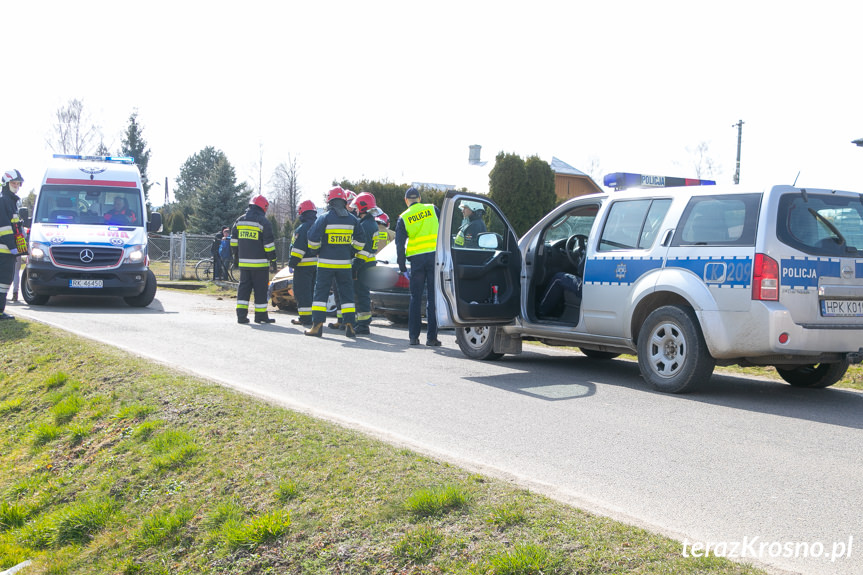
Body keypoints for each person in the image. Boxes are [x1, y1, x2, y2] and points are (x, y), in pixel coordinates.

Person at [304, 186, 366, 338]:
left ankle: (317, 327)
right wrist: (350, 251)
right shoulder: (353, 220)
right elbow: (361, 241)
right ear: (344, 201)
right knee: (347, 296)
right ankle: (350, 326)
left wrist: (316, 250)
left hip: (325, 264)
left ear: (330, 201)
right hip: (344, 264)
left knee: (320, 295)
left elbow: (312, 239)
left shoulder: (324, 218)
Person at [395, 186, 441, 346]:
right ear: (420, 198)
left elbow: (399, 244)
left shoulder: (404, 217)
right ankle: (432, 338)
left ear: (406, 201)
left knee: (415, 298)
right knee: (433, 298)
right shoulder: (433, 209)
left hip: (417, 261)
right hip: (435, 257)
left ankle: (413, 337)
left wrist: (402, 267)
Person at [231, 195, 278, 324]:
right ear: (264, 207)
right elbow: (268, 245)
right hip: (260, 265)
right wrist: (272, 260)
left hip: (244, 264)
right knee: (261, 290)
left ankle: (241, 316)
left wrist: (236, 257)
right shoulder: (263, 222)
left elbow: (233, 241)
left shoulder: (239, 221)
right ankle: (260, 316)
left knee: (244, 289)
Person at [349, 192, 382, 335]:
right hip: (366, 263)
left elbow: (365, 250)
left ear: (363, 207)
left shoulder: (366, 225)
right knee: (361, 293)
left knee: (361, 294)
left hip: (364, 264)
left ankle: (363, 325)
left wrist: (356, 265)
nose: (355, 210)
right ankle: (361, 322)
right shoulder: (368, 223)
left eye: (357, 207)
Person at [288, 199, 318, 326]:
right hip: (317, 266)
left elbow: (298, 249)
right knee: (312, 292)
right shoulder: (318, 225)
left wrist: (292, 263)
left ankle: (305, 318)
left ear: (302, 212)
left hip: (303, 266)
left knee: (302, 293)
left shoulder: (302, 228)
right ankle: (313, 317)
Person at [0, 169, 25, 320]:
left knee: (4, 281)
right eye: (13, 183)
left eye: (18, 183)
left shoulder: (11, 201)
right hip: (4, 250)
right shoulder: (4, 200)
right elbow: (4, 228)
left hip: (7, 251)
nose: (16, 185)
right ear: (6, 183)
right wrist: (12, 247)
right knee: (3, 281)